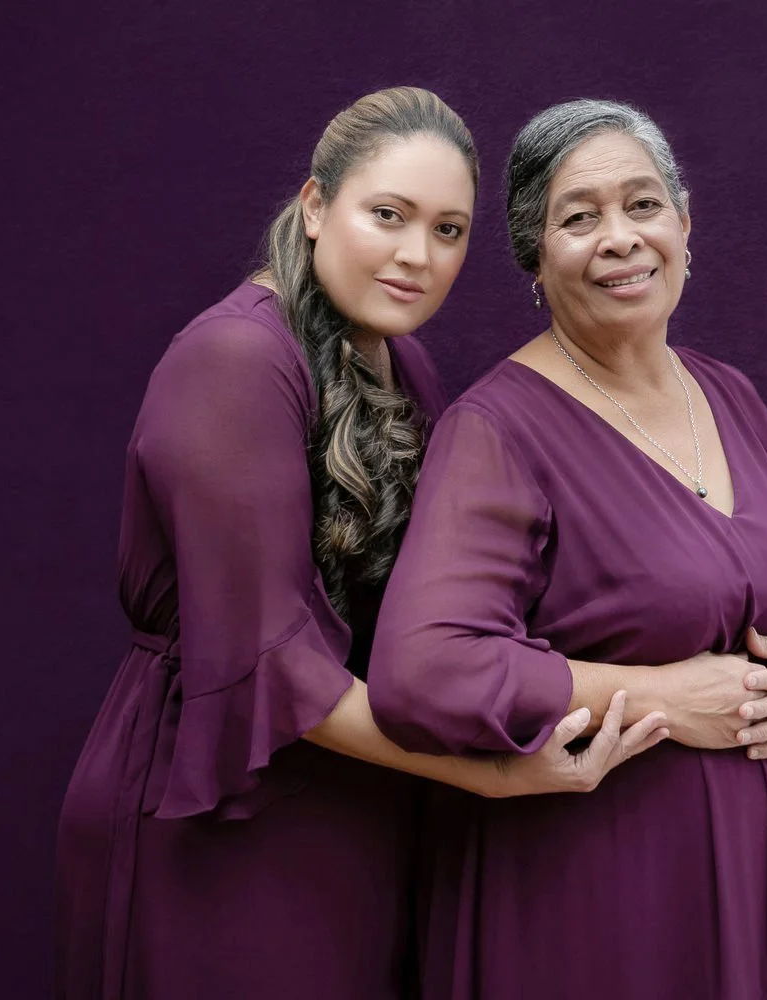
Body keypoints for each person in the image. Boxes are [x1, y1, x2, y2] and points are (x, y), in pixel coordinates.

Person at [53, 88, 669, 1000]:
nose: (417, 256)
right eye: (388, 216)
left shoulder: (398, 358)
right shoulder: (233, 362)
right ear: (313, 206)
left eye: (449, 231)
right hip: (222, 801)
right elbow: (271, 665)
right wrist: (494, 776)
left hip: (360, 800)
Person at [369, 99, 767, 999]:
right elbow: (423, 669)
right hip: (595, 891)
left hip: (764, 874)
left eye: (644, 205)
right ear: (535, 259)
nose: (620, 239)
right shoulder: (497, 430)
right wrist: (665, 696)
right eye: (579, 218)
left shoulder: (727, 395)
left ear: (685, 227)